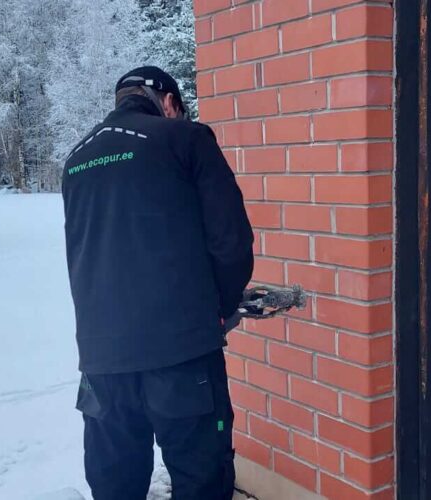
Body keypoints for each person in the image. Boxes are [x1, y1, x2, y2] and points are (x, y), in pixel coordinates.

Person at [61, 66, 254, 500]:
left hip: (101, 360)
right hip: (181, 353)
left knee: (115, 486)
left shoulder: (76, 159)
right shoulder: (186, 139)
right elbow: (231, 242)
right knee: (202, 480)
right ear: (168, 102)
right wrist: (221, 308)